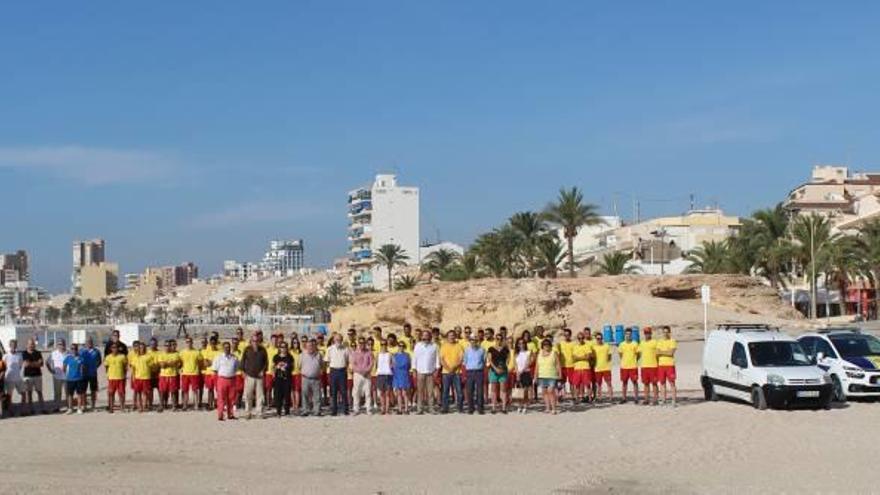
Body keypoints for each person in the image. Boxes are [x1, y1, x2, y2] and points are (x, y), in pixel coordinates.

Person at [241, 334, 268, 419]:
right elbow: (243, 360)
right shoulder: (247, 349)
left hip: (259, 377)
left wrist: (263, 370)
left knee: (260, 396)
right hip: (249, 376)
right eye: (253, 341)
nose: (255, 342)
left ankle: (259, 413)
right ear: (251, 341)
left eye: (257, 341)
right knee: (248, 395)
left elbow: (266, 362)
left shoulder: (263, 350)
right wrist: (242, 371)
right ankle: (248, 413)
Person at [413, 330, 439, 414]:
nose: (425, 337)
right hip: (420, 371)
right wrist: (414, 370)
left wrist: (437, 369)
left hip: (430, 372)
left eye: (427, 335)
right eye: (424, 335)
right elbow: (414, 358)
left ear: (429, 336)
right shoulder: (418, 345)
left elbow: (437, 358)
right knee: (420, 391)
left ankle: (431, 408)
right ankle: (420, 409)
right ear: (422, 336)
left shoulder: (434, 346)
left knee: (430, 392)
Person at [212, 341, 239, 421]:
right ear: (223, 348)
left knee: (231, 398)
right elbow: (215, 370)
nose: (227, 349)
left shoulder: (234, 358)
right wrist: (216, 381)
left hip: (231, 379)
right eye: (225, 347)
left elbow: (236, 368)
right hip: (222, 379)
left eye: (228, 347)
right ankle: (220, 415)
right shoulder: (218, 357)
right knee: (221, 398)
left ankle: (230, 414)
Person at [325, 333, 350, 416]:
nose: (338, 341)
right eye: (336, 339)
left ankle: (345, 409)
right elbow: (327, 361)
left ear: (342, 340)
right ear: (334, 340)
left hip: (342, 371)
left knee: (343, 391)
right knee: (333, 392)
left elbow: (347, 360)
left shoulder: (345, 349)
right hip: (333, 371)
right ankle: (334, 410)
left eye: (340, 339)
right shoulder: (329, 349)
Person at [439, 330, 464, 414]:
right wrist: (449, 369)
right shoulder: (443, 346)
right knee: (445, 391)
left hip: (457, 372)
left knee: (459, 391)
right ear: (447, 337)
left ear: (455, 336)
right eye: (450, 335)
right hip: (446, 372)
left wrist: (454, 368)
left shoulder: (459, 346)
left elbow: (461, 359)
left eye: (453, 335)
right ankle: (445, 408)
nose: (452, 337)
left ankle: (460, 408)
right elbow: (441, 359)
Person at [536, 339, 561, 414]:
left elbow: (558, 364)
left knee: (551, 391)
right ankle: (547, 408)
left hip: (552, 375)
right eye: (544, 345)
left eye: (548, 344)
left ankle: (553, 408)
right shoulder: (539, 354)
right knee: (544, 392)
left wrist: (560, 374)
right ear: (542, 346)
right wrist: (535, 376)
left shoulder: (554, 353)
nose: (546, 346)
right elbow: (537, 366)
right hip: (542, 375)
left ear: (550, 345)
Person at [21, 339, 45, 415]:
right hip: (28, 376)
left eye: (33, 344)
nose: (31, 345)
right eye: (30, 344)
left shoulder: (38, 353)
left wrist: (31, 363)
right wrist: (36, 363)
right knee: (29, 393)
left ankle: (42, 409)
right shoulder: (24, 353)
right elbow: (26, 364)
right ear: (27, 345)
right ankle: (31, 410)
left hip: (38, 375)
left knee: (39, 392)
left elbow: (41, 364)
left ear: (34, 345)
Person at [299, 339, 323, 417]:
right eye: (309, 346)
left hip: (316, 378)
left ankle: (317, 410)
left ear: (315, 346)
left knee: (317, 395)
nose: (311, 347)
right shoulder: (302, 355)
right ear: (306, 346)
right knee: (305, 395)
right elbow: (299, 365)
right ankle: (305, 410)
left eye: (312, 345)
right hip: (305, 378)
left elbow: (322, 365)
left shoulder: (319, 355)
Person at [350, 337, 374, 415]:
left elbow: (371, 363)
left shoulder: (369, 352)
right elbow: (353, 364)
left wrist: (366, 371)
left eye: (363, 343)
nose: (361, 344)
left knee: (368, 392)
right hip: (358, 374)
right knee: (356, 392)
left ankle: (368, 409)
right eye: (360, 343)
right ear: (358, 344)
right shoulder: (354, 353)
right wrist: (360, 371)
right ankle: (356, 409)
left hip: (367, 375)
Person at [129, 342, 155, 413]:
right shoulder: (135, 357)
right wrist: (133, 377)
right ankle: (140, 406)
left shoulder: (148, 356)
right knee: (138, 393)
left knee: (145, 393)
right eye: (140, 348)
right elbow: (133, 368)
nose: (141, 349)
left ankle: (144, 406)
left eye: (143, 348)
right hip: (138, 377)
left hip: (146, 377)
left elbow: (152, 366)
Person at [487, 337, 511, 413]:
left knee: (503, 389)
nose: (499, 340)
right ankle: (493, 407)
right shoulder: (491, 348)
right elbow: (490, 360)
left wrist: (503, 368)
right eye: (497, 339)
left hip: (503, 371)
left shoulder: (506, 349)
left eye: (500, 339)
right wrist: (496, 368)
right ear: (495, 339)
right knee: (493, 389)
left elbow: (508, 359)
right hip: (493, 370)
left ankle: (503, 407)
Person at [463, 337, 486, 414]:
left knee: (480, 391)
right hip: (469, 372)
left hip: (479, 372)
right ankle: (471, 408)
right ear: (470, 341)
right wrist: (464, 374)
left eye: (475, 340)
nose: (474, 342)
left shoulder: (482, 350)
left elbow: (484, 361)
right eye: (472, 340)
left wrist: (484, 372)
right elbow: (464, 362)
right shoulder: (467, 350)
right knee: (470, 391)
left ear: (478, 341)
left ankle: (480, 408)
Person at [656, 326, 678, 406]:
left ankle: (674, 400)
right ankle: (663, 400)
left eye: (667, 332)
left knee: (672, 383)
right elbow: (657, 352)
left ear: (669, 332)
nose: (665, 334)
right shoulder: (659, 341)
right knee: (662, 383)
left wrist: (662, 352)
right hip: (661, 365)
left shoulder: (672, 341)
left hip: (670, 365)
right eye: (664, 332)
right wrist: (666, 352)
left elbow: (671, 353)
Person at [157, 340, 181, 412]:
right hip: (163, 375)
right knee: (162, 391)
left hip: (172, 375)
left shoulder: (176, 354)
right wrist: (170, 363)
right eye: (166, 346)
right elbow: (162, 366)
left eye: (169, 346)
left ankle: (174, 406)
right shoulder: (161, 354)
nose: (167, 347)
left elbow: (175, 363)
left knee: (173, 391)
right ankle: (162, 405)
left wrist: (166, 363)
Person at [638, 327, 660, 406]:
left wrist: (658, 364)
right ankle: (646, 399)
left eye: (648, 333)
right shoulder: (642, 343)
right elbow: (639, 354)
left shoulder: (655, 342)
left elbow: (658, 354)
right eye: (646, 333)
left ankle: (655, 399)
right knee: (645, 384)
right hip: (644, 366)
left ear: (651, 333)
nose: (647, 334)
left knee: (654, 383)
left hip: (653, 366)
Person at [179, 337, 202, 411]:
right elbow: (180, 362)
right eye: (187, 342)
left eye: (190, 342)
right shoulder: (182, 352)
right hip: (185, 373)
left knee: (195, 390)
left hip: (194, 373)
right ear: (186, 343)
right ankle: (185, 405)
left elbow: (200, 362)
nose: (189, 343)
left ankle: (196, 405)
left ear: (192, 342)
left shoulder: (197, 352)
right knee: (185, 390)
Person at [104, 343, 128, 413]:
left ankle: (122, 407)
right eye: (113, 347)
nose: (114, 349)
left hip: (120, 378)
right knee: (111, 393)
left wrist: (124, 375)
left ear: (118, 348)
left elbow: (125, 366)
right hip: (111, 378)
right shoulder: (108, 357)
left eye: (116, 347)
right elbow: (106, 366)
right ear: (111, 349)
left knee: (121, 393)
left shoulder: (122, 356)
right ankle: (111, 408)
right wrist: (108, 375)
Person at [272, 342, 294, 417]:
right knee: (278, 395)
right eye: (281, 347)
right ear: (279, 348)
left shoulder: (290, 357)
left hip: (287, 378)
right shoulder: (276, 357)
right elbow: (273, 367)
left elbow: (292, 367)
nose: (283, 348)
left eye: (284, 347)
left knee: (287, 395)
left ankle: (287, 412)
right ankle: (279, 412)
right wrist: (277, 367)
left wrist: (286, 367)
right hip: (278, 378)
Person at [79, 337, 102, 411]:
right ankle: (84, 406)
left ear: (92, 342)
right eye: (88, 341)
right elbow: (78, 360)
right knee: (83, 391)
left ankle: (93, 406)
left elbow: (99, 361)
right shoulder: (81, 351)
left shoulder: (96, 351)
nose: (89, 343)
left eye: (90, 341)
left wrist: (94, 367)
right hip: (83, 374)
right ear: (85, 343)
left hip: (93, 374)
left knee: (93, 391)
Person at [63, 343, 86, 415]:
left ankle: (79, 408)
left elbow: (83, 368)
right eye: (72, 348)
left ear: (77, 350)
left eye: (75, 349)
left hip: (79, 379)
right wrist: (67, 375)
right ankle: (70, 408)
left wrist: (81, 374)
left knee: (79, 394)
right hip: (70, 379)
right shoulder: (68, 357)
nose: (74, 350)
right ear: (70, 349)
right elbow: (64, 367)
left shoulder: (81, 358)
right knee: (70, 395)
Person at [618, 329, 639, 404]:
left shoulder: (635, 343)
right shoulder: (621, 344)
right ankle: (624, 398)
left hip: (633, 366)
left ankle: (636, 398)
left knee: (635, 382)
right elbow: (620, 355)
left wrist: (634, 360)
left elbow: (638, 355)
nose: (628, 336)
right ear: (624, 335)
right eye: (627, 334)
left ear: (631, 335)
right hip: (624, 367)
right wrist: (624, 361)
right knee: (624, 383)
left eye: (629, 334)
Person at [571, 332, 594, 404]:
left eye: (582, 338)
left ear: (584, 338)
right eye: (579, 338)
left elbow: (589, 357)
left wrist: (579, 358)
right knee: (576, 385)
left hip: (585, 368)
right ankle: (577, 399)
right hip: (577, 368)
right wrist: (583, 357)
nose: (580, 339)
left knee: (587, 384)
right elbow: (574, 358)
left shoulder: (587, 346)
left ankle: (590, 399)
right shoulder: (575, 346)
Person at [46, 339, 67, 412]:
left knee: (67, 392)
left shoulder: (68, 353)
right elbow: (47, 362)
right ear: (57, 345)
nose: (61, 346)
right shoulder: (53, 353)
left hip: (67, 376)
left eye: (62, 344)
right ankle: (57, 407)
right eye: (60, 344)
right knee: (57, 393)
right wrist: (51, 370)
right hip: (57, 376)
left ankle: (68, 407)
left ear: (65, 344)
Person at [514, 338, 534, 414]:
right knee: (519, 391)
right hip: (518, 373)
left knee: (525, 391)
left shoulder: (528, 352)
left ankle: (525, 405)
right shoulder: (516, 353)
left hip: (526, 373)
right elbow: (515, 364)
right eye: (519, 343)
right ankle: (519, 405)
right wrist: (517, 373)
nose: (521, 345)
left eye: (522, 343)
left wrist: (521, 371)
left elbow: (528, 363)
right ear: (518, 345)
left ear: (525, 344)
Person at [391, 341, 411, 414]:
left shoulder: (407, 355)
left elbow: (408, 365)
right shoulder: (394, 355)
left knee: (405, 393)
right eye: (400, 346)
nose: (401, 347)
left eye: (402, 346)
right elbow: (392, 366)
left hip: (404, 374)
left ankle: (406, 409)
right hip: (397, 375)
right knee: (398, 393)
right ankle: (399, 409)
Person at [200, 336, 220, 410]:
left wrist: (211, 362)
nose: (212, 344)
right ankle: (210, 404)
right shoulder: (207, 351)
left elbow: (219, 363)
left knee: (218, 390)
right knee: (210, 390)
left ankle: (219, 404)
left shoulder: (219, 352)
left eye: (214, 343)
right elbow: (206, 364)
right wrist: (214, 362)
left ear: (216, 343)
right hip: (208, 373)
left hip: (217, 373)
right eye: (211, 343)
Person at [592, 333, 613, 402]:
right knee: (598, 384)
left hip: (606, 368)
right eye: (598, 339)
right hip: (597, 368)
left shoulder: (606, 346)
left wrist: (606, 363)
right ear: (596, 339)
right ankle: (600, 398)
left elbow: (609, 356)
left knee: (609, 383)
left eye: (600, 338)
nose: (599, 340)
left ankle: (611, 397)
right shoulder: (594, 347)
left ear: (602, 339)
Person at [376, 339, 394, 415]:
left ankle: (387, 409)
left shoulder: (390, 354)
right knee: (381, 393)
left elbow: (393, 364)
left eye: (385, 344)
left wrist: (391, 367)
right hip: (380, 375)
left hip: (387, 375)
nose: (383, 346)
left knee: (387, 393)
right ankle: (382, 409)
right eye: (382, 344)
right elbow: (376, 365)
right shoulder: (378, 354)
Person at [557, 328, 575, 401]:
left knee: (572, 382)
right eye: (565, 335)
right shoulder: (560, 344)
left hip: (571, 366)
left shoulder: (574, 344)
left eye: (568, 335)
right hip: (563, 366)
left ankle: (573, 396)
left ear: (570, 335)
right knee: (561, 382)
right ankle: (561, 395)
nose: (566, 336)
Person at [264, 334, 279, 406]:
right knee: (268, 389)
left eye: (276, 340)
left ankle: (275, 402)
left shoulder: (278, 350)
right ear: (271, 341)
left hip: (277, 372)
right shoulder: (267, 349)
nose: (274, 342)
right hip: (268, 372)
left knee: (276, 389)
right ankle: (268, 403)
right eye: (273, 340)